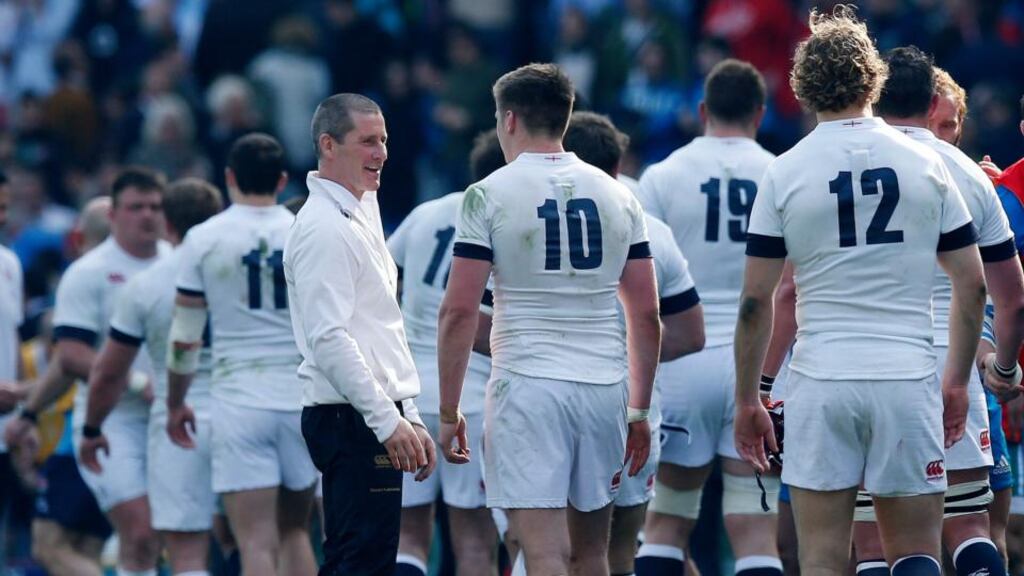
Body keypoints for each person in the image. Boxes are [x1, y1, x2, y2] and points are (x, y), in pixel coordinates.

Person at [734, 7, 986, 575]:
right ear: (873, 77)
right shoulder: (927, 163)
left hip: (823, 382)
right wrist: (956, 381)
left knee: (823, 558)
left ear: (802, 85)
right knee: (917, 555)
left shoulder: (784, 171)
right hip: (907, 375)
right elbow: (971, 287)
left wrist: (750, 396)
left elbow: (758, 301)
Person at [437, 63, 661, 576]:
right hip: (604, 385)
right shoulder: (619, 194)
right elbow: (646, 313)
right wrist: (638, 410)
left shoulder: (488, 194)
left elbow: (459, 311)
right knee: (593, 555)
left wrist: (449, 411)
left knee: (543, 554)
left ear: (508, 120)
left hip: (528, 385)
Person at [850, 46, 1023, 576]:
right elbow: (1010, 292)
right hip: (952, 362)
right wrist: (1004, 369)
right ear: (930, 103)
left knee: (875, 541)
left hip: (858, 361)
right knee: (970, 528)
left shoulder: (836, 160)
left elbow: (789, 287)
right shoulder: (969, 175)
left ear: (874, 97)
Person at [633, 58, 781, 576]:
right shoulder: (778, 170)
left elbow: (644, 274)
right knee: (754, 524)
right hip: (759, 362)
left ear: (701, 110)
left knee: (667, 519)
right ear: (760, 113)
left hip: (684, 360)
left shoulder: (663, 175)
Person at [284, 93, 436, 576]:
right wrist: (386, 420)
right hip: (349, 416)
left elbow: (378, 325)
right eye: (368, 141)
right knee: (358, 564)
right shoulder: (324, 227)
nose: (382, 153)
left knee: (367, 562)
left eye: (385, 140)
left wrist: (405, 411)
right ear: (328, 145)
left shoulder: (361, 208)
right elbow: (329, 338)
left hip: (366, 410)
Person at [166, 134, 318, 576]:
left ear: (229, 177)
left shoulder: (204, 237)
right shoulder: (303, 229)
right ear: (283, 179)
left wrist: (176, 401)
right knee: (295, 533)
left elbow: (185, 335)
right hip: (299, 395)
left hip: (238, 397)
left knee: (255, 539)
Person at [562, 110, 706, 576]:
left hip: (551, 394)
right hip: (630, 402)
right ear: (619, 166)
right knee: (619, 552)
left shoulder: (535, 221)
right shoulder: (651, 230)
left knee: (548, 547)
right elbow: (689, 333)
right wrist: (633, 352)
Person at [78, 179, 224, 576]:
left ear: (167, 224)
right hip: (251, 407)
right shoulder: (250, 269)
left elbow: (109, 372)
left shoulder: (150, 283)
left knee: (188, 553)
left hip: (184, 420)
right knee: (273, 539)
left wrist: (90, 429)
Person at [386, 130, 504, 576]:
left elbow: (379, 286)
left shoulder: (424, 215)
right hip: (472, 400)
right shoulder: (510, 223)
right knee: (475, 544)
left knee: (408, 538)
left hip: (407, 397)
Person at [46, 167, 170, 576]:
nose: (147, 215)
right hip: (111, 419)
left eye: (155, 206)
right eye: (136, 207)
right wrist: (136, 383)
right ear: (114, 214)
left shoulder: (179, 264)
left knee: (178, 536)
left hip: (171, 416)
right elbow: (71, 354)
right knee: (139, 531)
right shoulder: (89, 273)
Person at [6, 197, 114, 576]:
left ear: (77, 236)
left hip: (86, 432)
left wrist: (28, 409)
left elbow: (68, 359)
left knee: (48, 545)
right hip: (128, 431)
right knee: (86, 547)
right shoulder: (150, 270)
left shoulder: (84, 275)